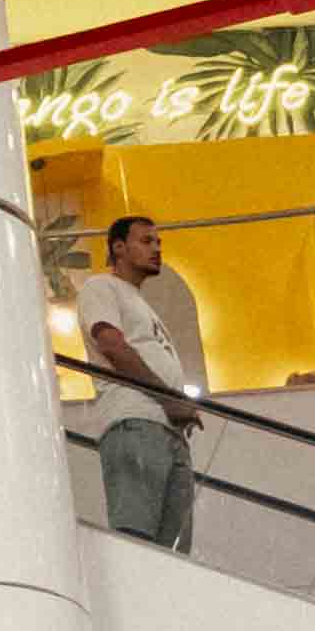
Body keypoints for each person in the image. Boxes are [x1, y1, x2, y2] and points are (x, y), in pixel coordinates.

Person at [70, 214, 203, 548]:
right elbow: (111, 344)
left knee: (171, 552)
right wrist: (168, 398)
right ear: (118, 247)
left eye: (158, 242)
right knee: (138, 539)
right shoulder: (100, 287)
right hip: (135, 422)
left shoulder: (142, 304)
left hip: (168, 430)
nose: (156, 249)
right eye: (146, 241)